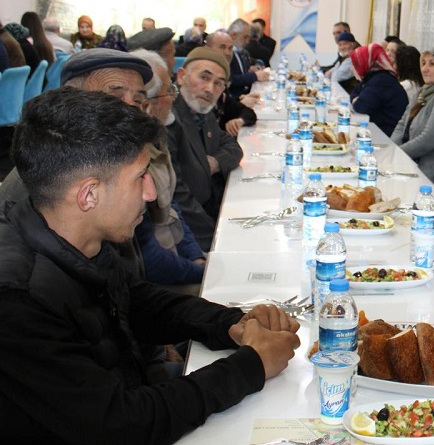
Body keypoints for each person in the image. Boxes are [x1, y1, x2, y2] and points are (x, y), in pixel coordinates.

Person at [0, 87, 300, 444]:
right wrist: (251, 366)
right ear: (89, 194)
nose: (152, 193)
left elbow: (135, 300)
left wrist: (231, 323)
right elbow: (121, 424)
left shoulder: (69, 233)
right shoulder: (17, 301)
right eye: (140, 176)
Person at [0, 47, 153, 207]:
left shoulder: (132, 160)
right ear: (73, 103)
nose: (130, 110)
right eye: (114, 98)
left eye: (137, 101)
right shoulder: (50, 175)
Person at [132, 49, 207, 292]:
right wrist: (201, 272)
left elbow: (173, 207)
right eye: (169, 90)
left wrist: (196, 256)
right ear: (148, 103)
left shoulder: (156, 140)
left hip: (178, 259)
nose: (174, 97)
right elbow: (150, 259)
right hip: (159, 284)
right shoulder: (129, 161)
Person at [169, 47, 244, 251]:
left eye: (218, 83)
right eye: (204, 77)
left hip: (211, 212)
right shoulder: (169, 118)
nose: (210, 89)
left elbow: (233, 147)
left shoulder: (202, 112)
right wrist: (218, 238)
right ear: (181, 76)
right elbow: (178, 198)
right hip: (189, 235)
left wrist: (216, 162)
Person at [391, 47, 434, 182]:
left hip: (425, 173)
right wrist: (391, 148)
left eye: (432, 64)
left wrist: (396, 152)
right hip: (406, 162)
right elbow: (402, 124)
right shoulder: (422, 92)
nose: (425, 69)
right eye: (423, 63)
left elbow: (428, 139)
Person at [205, 31, 258, 135]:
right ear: (207, 49)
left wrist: (239, 121)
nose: (228, 53)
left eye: (230, 48)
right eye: (222, 47)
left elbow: (249, 113)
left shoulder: (222, 89)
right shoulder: (202, 88)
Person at [349, 43, 408, 135]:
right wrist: (356, 99)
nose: (351, 69)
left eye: (355, 64)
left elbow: (361, 106)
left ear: (365, 62)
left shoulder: (381, 79)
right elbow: (354, 92)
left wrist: (357, 100)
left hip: (387, 134)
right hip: (379, 128)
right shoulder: (372, 76)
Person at [226, 18, 268, 96]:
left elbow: (257, 61)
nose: (247, 41)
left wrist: (257, 68)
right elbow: (230, 81)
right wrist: (255, 76)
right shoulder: (226, 54)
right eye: (245, 37)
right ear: (234, 35)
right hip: (235, 97)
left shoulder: (240, 51)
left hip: (246, 93)